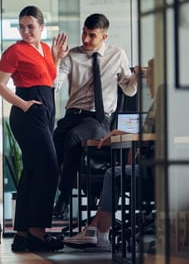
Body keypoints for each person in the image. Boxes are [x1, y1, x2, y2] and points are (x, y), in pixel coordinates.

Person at [0, 5, 69, 252]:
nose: (26, 31)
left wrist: (56, 57)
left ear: (41, 27)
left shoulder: (46, 49)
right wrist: (24, 104)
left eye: (31, 27)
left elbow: (49, 78)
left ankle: (22, 234)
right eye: (22, 26)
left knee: (33, 171)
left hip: (46, 108)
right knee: (49, 170)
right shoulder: (15, 51)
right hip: (28, 110)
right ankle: (38, 232)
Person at [52, 13, 139, 219]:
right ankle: (46, 197)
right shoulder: (72, 55)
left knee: (74, 136)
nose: (85, 40)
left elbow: (129, 90)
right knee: (52, 148)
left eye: (92, 35)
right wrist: (55, 60)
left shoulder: (117, 55)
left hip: (98, 119)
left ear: (104, 37)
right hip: (72, 115)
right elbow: (55, 84)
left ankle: (63, 199)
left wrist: (135, 76)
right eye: (84, 33)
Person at [63, 58, 156, 251]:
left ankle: (99, 232)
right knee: (116, 172)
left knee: (113, 174)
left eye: (150, 79)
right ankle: (96, 231)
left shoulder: (163, 104)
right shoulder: (161, 103)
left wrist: (129, 138)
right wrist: (119, 133)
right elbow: (147, 133)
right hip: (156, 167)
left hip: (156, 171)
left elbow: (154, 135)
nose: (148, 85)